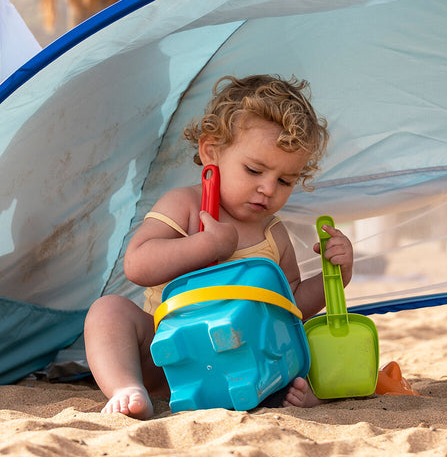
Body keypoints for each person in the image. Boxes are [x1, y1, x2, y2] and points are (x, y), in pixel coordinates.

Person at [84, 74, 354, 419]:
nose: (268, 189)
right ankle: (126, 387)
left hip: (246, 362)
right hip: (167, 352)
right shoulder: (184, 204)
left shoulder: (273, 233)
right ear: (212, 151)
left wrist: (336, 275)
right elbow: (137, 265)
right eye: (254, 170)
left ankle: (303, 396)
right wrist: (205, 244)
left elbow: (293, 305)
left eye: (285, 180)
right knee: (108, 311)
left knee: (301, 342)